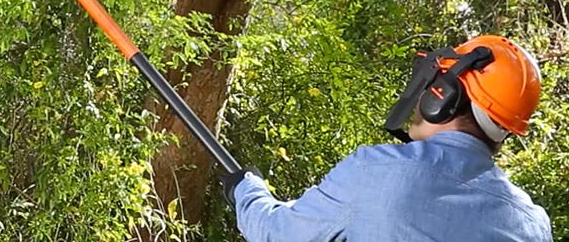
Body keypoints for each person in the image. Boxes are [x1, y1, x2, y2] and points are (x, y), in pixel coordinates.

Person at [221, 34, 552, 241]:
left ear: (444, 95)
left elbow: (278, 234)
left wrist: (247, 190)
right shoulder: (532, 224)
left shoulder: (375, 171)